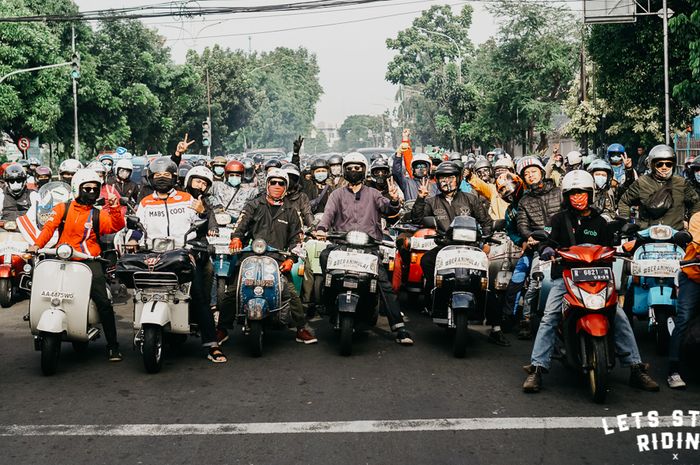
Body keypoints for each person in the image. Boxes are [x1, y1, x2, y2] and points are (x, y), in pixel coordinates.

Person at [522, 170, 659, 393]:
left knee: (620, 317)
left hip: (599, 277)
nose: (578, 198)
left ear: (590, 194)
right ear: (567, 196)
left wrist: (622, 247)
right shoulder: (558, 220)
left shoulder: (601, 221)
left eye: (582, 193)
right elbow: (546, 241)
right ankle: (537, 369)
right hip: (566, 277)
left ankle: (636, 368)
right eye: (573, 194)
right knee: (549, 317)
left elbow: (610, 243)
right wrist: (546, 248)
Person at [134, 159, 227, 363]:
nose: (161, 180)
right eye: (157, 177)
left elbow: (201, 224)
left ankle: (212, 344)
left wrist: (202, 212)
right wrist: (132, 238)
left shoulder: (187, 199)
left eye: (166, 176)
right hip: (153, 255)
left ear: (175, 179)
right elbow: (137, 226)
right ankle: (143, 326)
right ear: (150, 179)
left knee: (199, 295)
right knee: (139, 289)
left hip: (183, 254)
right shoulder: (145, 202)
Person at [315, 152, 413, 345]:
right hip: (341, 246)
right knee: (324, 257)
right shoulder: (336, 194)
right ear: (344, 171)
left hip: (369, 248)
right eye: (350, 168)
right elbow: (327, 215)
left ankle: (399, 327)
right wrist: (321, 229)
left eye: (358, 168)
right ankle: (326, 303)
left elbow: (389, 209)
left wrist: (393, 200)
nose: (353, 171)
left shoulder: (374, 194)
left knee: (384, 283)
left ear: (364, 171)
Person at [28, 169, 125, 361]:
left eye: (94, 189)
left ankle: (113, 346)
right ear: (76, 189)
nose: (91, 192)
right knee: (44, 291)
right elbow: (49, 228)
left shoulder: (98, 215)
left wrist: (114, 208)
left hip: (89, 262)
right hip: (62, 259)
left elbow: (116, 226)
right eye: (86, 188)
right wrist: (36, 245)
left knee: (104, 303)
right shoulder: (62, 209)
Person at [410, 161, 502, 343]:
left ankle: (496, 327)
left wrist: (487, 236)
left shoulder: (471, 199)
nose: (446, 181)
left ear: (458, 179)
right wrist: (421, 198)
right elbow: (417, 218)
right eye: (442, 178)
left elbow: (486, 221)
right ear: (437, 181)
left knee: (488, 280)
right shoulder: (432, 201)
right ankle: (434, 294)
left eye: (450, 177)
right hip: (445, 247)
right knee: (427, 260)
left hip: (471, 247)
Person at [224, 168, 318, 345]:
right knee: (233, 289)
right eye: (272, 182)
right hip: (251, 255)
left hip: (278, 258)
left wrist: (291, 258)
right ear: (267, 185)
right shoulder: (254, 205)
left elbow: (297, 239)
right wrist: (236, 238)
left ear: (285, 186)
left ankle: (301, 328)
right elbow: (241, 224)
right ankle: (222, 328)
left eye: (280, 183)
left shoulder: (291, 210)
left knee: (290, 291)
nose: (276, 186)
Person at [515, 156, 562, 339]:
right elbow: (522, 226)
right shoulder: (524, 201)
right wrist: (529, 237)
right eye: (526, 174)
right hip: (541, 246)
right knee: (535, 282)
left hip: (564, 244)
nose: (531, 176)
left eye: (533, 171)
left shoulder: (559, 192)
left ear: (542, 172)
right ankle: (526, 318)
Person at [618, 144, 700, 231]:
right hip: (646, 234)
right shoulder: (642, 182)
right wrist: (625, 221)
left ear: (673, 165)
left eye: (668, 164)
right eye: (660, 164)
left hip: (676, 234)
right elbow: (624, 201)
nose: (664, 168)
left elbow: (695, 203)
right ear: (652, 165)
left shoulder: (682, 183)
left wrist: (691, 223)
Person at [667, 212, 700, 389]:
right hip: (694, 277)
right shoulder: (698, 218)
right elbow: (698, 241)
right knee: (683, 319)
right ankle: (673, 370)